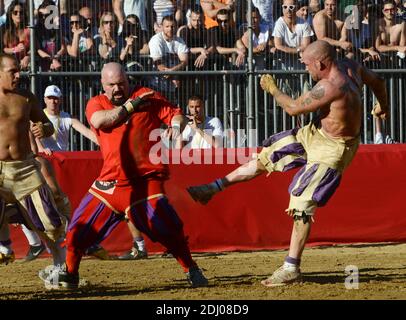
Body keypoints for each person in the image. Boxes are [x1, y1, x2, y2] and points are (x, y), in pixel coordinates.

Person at [187, 40, 389, 287]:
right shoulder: (350, 66)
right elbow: (377, 80)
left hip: (334, 148)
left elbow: (293, 108)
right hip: (316, 132)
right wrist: (383, 106)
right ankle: (213, 188)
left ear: (320, 63)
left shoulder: (330, 86)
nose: (306, 70)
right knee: (268, 156)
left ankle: (291, 267)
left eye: (307, 65)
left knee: (301, 202)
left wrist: (272, 89)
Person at [41, 62, 208, 289]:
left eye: (121, 83)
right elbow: (101, 120)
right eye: (111, 85)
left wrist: (176, 126)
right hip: (110, 183)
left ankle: (192, 269)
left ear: (128, 80)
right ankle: (70, 273)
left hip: (143, 181)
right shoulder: (96, 103)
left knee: (168, 228)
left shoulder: (146, 96)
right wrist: (131, 107)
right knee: (77, 231)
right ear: (103, 85)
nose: (117, 89)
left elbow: (176, 115)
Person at [0, 53, 66, 272]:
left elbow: (48, 126)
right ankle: (5, 246)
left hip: (25, 168)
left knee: (50, 223)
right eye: (12, 71)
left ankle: (60, 268)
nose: (19, 75)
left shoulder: (27, 98)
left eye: (19, 70)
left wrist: (43, 129)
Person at [35, 85, 98, 154]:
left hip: (62, 157)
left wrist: (102, 143)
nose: (52, 101)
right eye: (50, 98)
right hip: (45, 156)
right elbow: (32, 135)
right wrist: (41, 149)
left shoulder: (67, 117)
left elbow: (88, 133)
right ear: (45, 99)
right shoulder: (38, 116)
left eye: (55, 98)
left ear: (60, 100)